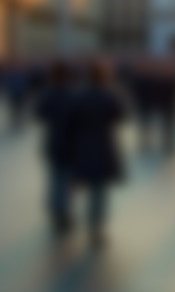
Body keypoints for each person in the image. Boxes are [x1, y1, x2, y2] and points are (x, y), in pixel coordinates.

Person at [67, 61, 127, 250]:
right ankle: (97, 226)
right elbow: (121, 116)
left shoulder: (79, 96)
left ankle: (87, 221)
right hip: (104, 145)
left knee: (89, 187)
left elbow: (72, 121)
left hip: (84, 145)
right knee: (100, 190)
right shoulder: (109, 95)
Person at [35, 61, 77, 237]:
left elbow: (39, 115)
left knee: (55, 177)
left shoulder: (48, 94)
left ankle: (56, 209)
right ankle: (63, 211)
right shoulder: (74, 94)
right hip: (71, 141)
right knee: (67, 179)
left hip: (53, 140)